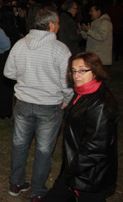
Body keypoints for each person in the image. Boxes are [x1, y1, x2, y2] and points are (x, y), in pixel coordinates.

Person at [4, 7, 73, 202]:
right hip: (49, 106)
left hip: (24, 103)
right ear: (51, 25)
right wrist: (67, 101)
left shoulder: (20, 44)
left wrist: (26, 78)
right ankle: (37, 191)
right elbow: (67, 82)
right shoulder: (60, 50)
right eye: (57, 23)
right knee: (43, 151)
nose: (59, 26)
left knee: (20, 144)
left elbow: (9, 72)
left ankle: (16, 183)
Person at [43, 52, 118, 202]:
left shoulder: (101, 104)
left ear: (95, 70)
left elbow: (96, 147)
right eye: (74, 70)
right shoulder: (82, 93)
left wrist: (72, 169)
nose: (77, 75)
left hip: (89, 176)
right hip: (75, 170)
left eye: (83, 70)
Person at [0, 5, 21, 119]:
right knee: (9, 86)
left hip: (0, 59)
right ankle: (8, 111)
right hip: (12, 59)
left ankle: (1, 111)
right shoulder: (14, 28)